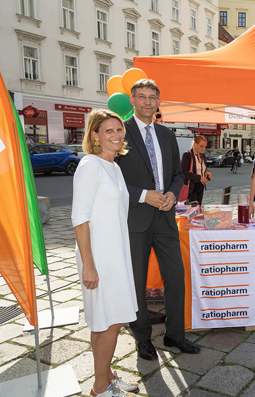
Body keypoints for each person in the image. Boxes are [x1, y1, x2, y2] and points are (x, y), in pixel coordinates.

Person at [116, 79, 200, 361]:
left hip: (166, 218)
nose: (148, 102)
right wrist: (142, 195)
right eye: (142, 97)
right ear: (132, 100)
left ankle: (175, 335)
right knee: (137, 281)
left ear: (159, 101)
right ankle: (142, 338)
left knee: (175, 276)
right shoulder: (119, 132)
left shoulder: (166, 134)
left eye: (153, 97)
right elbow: (111, 180)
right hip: (135, 218)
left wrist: (172, 194)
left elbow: (177, 175)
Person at [72, 109, 138, 397]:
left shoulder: (114, 167)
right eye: (108, 131)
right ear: (95, 136)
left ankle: (106, 375)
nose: (115, 135)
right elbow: (79, 218)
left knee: (103, 321)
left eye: (118, 129)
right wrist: (89, 264)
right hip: (99, 257)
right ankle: (101, 387)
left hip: (115, 254)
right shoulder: (90, 166)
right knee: (110, 322)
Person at [181, 135, 212, 204]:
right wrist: (199, 177)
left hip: (201, 186)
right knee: (193, 210)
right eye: (201, 146)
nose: (203, 148)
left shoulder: (202, 155)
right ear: (195, 144)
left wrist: (207, 172)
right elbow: (184, 172)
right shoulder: (187, 155)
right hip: (191, 187)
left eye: (204, 146)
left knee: (199, 208)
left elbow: (203, 168)